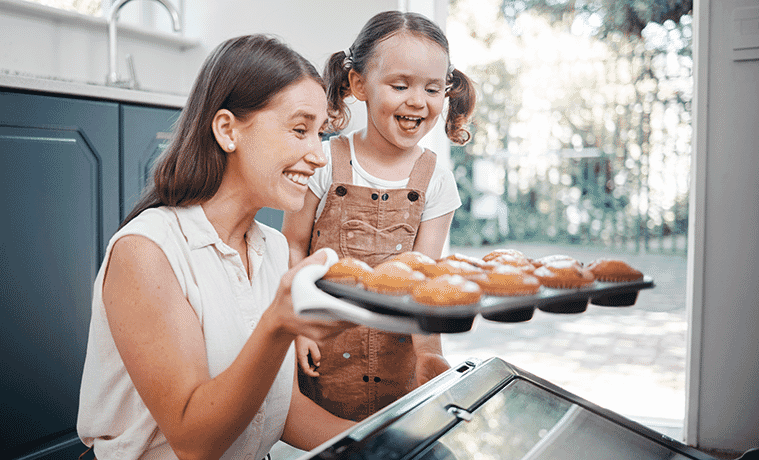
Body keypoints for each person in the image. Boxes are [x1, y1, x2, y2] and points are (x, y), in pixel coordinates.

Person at [77, 35, 357, 460]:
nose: (318, 156)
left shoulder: (273, 249)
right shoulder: (147, 252)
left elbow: (276, 410)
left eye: (319, 134)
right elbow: (194, 442)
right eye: (300, 130)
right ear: (228, 130)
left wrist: (394, 438)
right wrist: (278, 326)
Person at [281, 10, 476, 422]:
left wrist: (430, 355)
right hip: (322, 351)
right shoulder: (323, 161)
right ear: (358, 84)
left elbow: (426, 278)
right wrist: (297, 328)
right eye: (400, 85)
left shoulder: (437, 181)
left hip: (398, 363)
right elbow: (293, 244)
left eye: (433, 89)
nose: (417, 101)